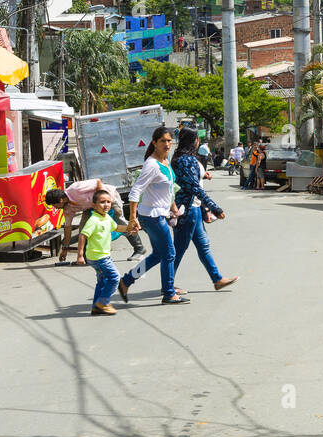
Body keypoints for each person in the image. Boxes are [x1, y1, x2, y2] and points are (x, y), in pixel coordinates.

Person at [118, 126, 190, 305]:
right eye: (163, 141)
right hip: (151, 216)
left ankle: (126, 281)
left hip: (159, 214)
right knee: (169, 253)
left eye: (169, 141)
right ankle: (168, 293)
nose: (167, 144)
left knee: (158, 254)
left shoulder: (165, 162)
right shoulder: (151, 165)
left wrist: (173, 207)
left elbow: (169, 189)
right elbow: (135, 191)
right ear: (154, 143)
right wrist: (132, 217)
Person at [171, 128, 239, 292]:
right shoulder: (186, 160)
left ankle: (217, 279)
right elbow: (195, 188)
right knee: (178, 249)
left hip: (192, 207)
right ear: (194, 141)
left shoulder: (180, 158)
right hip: (187, 209)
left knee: (203, 246)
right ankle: (168, 285)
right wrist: (214, 207)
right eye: (197, 139)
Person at [75, 188, 140, 315]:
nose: (106, 205)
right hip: (99, 258)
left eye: (108, 202)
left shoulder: (106, 218)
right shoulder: (93, 220)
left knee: (103, 280)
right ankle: (103, 303)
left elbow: (117, 227)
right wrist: (80, 255)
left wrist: (129, 228)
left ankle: (96, 306)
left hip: (102, 256)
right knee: (115, 278)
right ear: (94, 205)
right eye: (102, 202)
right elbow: (83, 235)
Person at [48, 178, 144, 263]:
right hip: (91, 206)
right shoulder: (67, 209)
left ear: (60, 200)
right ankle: (85, 258)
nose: (55, 208)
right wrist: (65, 249)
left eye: (54, 205)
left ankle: (139, 249)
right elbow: (67, 229)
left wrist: (102, 201)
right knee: (84, 230)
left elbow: (97, 182)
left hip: (109, 198)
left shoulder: (75, 189)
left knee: (121, 223)